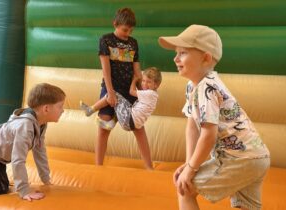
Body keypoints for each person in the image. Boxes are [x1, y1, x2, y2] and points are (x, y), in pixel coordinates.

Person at [158, 24, 270, 210]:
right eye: (176, 53)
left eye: (183, 53)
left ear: (206, 58)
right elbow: (192, 126)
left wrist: (191, 170)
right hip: (257, 157)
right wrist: (188, 163)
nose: (175, 58)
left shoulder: (207, 87)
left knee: (185, 188)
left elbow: (208, 136)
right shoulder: (194, 86)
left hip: (238, 158)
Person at [0, 83, 65, 201]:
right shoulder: (25, 126)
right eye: (60, 106)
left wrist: (46, 180)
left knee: (3, 184)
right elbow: (18, 160)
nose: (63, 110)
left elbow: (40, 152)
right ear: (46, 109)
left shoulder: (41, 124)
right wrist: (24, 190)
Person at [94, 7, 153, 169]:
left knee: (139, 128)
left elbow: (136, 69)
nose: (128, 33)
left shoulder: (133, 43)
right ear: (115, 24)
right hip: (110, 87)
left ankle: (149, 167)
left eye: (131, 30)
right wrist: (110, 92)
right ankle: (98, 167)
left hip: (129, 90)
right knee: (104, 127)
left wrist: (142, 90)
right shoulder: (106, 40)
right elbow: (105, 69)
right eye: (125, 29)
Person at [80, 67, 162, 131]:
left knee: (112, 94)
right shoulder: (154, 95)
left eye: (149, 82)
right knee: (127, 104)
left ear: (156, 85)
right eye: (143, 81)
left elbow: (131, 91)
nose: (144, 84)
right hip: (133, 124)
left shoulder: (149, 93)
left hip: (128, 119)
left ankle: (91, 109)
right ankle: (112, 122)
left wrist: (134, 80)